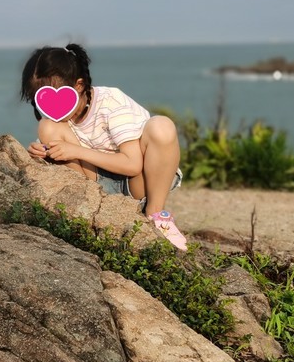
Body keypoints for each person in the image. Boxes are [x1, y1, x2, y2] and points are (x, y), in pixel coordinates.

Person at [19, 43, 188, 250]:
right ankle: (88, 208)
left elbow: (133, 164)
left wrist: (76, 151)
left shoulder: (110, 102)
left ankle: (156, 216)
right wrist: (42, 154)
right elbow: (63, 150)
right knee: (47, 126)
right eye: (41, 98)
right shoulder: (56, 119)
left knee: (162, 126)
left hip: (138, 182)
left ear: (79, 86)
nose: (49, 107)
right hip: (95, 185)